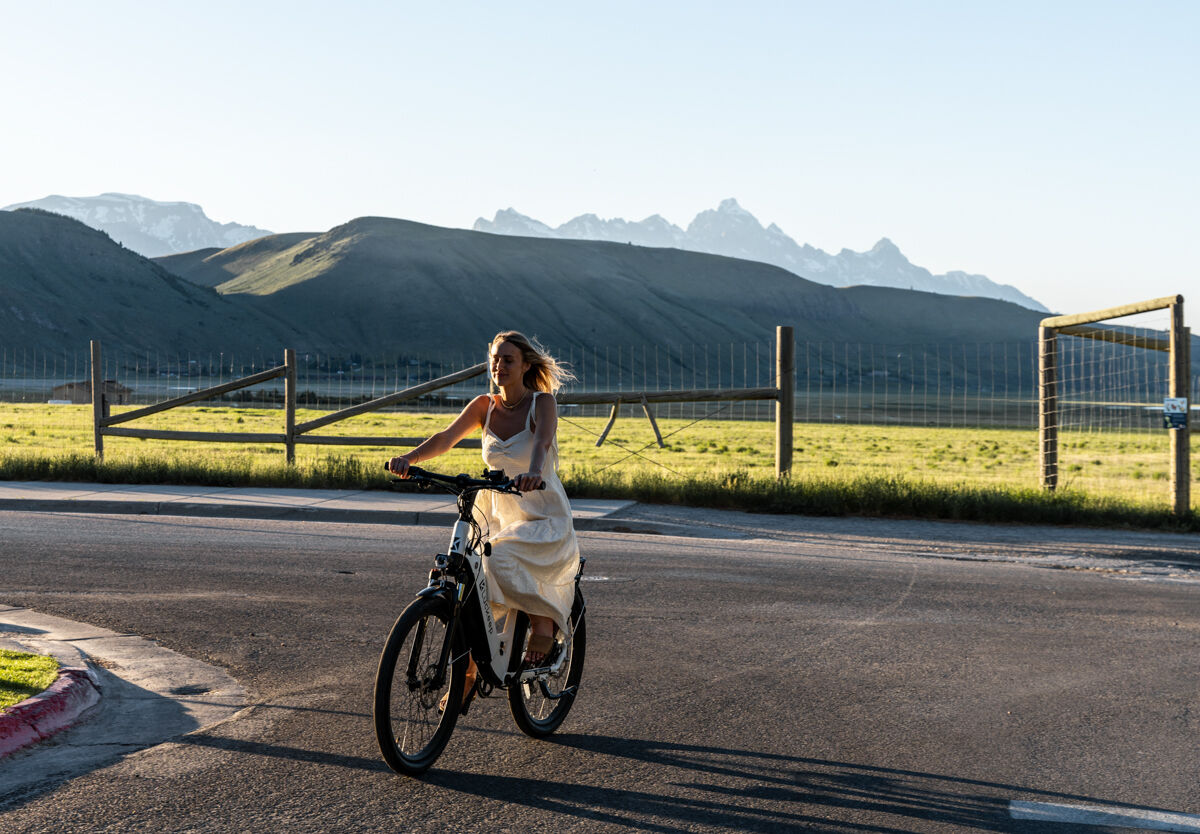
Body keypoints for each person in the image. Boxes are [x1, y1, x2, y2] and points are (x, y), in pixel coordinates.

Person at [387, 331, 580, 709]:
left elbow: (540, 444)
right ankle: (470, 673)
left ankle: (542, 622)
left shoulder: (542, 403)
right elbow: (445, 438)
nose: (499, 366)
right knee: (469, 581)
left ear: (525, 365)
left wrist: (534, 472)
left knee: (500, 559)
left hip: (539, 509)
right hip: (494, 510)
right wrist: (410, 460)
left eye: (508, 359)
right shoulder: (483, 406)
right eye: (494, 359)